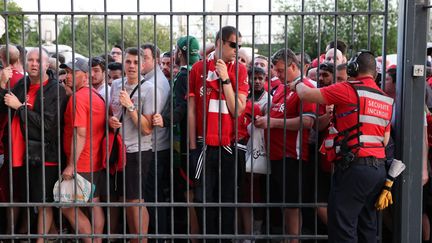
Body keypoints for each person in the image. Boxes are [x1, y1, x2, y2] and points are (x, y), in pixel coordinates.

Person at [289, 50, 393, 242]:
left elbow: (305, 94)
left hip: (354, 168)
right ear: (375, 73)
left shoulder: (348, 88)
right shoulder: (385, 98)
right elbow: (385, 140)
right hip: (378, 169)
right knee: (367, 226)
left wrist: (297, 81)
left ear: (353, 68)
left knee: (343, 227)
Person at [188, 25, 249, 241]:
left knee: (228, 201)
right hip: (204, 145)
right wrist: (193, 147)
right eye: (233, 44)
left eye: (239, 46)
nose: (236, 49)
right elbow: (191, 110)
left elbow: (237, 110)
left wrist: (224, 79)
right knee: (203, 200)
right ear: (219, 43)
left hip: (230, 146)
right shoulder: (197, 69)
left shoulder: (240, 70)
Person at [0, 48, 67, 243]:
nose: (34, 63)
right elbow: (5, 106)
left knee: (43, 202)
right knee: (30, 199)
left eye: (39, 60)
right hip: (22, 154)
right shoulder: (23, 83)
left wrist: (20, 107)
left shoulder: (55, 89)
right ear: (25, 62)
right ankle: (50, 234)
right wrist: (3, 84)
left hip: (45, 155)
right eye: (31, 60)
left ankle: (41, 239)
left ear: (47, 64)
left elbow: (48, 125)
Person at [254, 48, 316, 243]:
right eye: (276, 71)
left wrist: (273, 122)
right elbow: (274, 111)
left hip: (293, 156)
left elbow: (308, 121)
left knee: (292, 205)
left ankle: (293, 240)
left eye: (280, 71)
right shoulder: (282, 87)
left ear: (293, 66)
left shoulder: (304, 87)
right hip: (276, 155)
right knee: (284, 204)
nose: (277, 74)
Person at [152, 35, 201, 243]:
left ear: (180, 53)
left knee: (190, 193)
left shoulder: (183, 76)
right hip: (198, 139)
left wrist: (164, 119)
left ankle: (194, 236)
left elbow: (182, 108)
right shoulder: (199, 71)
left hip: (185, 145)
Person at [109, 47, 153, 243]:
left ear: (143, 65)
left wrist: (130, 106)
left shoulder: (149, 89)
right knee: (125, 200)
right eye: (128, 62)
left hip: (138, 150)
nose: (132, 66)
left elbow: (147, 128)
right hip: (118, 149)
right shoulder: (116, 84)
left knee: (136, 201)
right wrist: (111, 121)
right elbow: (111, 113)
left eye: (136, 62)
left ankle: (141, 240)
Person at [61, 57, 106, 243]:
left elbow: (80, 133)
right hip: (94, 159)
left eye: (73, 72)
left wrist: (71, 165)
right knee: (94, 204)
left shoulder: (79, 98)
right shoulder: (95, 95)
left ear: (85, 75)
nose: (67, 76)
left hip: (82, 162)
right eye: (67, 72)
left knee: (66, 206)